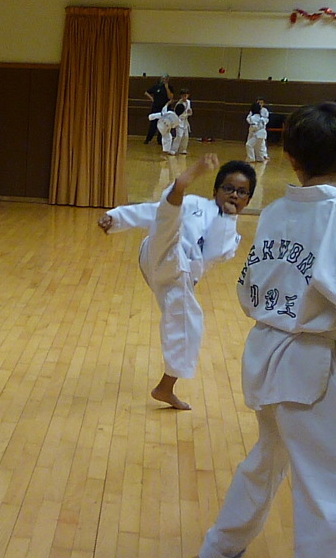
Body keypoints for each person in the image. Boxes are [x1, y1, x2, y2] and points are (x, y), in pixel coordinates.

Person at [200, 102, 336, 558]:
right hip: (308, 363)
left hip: (265, 349)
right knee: (333, 489)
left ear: (289, 156)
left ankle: (222, 543)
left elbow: (250, 285)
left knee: (271, 454)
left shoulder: (274, 212)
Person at [98, 155, 256, 410]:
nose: (234, 195)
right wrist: (115, 218)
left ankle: (165, 388)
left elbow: (214, 251)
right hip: (158, 251)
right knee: (169, 222)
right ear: (215, 191)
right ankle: (179, 185)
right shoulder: (193, 203)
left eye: (241, 192)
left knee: (190, 324)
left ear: (248, 201)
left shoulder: (232, 238)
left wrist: (227, 219)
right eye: (228, 188)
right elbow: (152, 212)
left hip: (177, 275)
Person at [143, 74, 174, 144]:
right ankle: (148, 139)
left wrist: (167, 88)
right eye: (163, 78)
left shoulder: (170, 87)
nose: (164, 80)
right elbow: (146, 92)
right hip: (156, 108)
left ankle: (160, 140)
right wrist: (152, 99)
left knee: (163, 124)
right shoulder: (156, 87)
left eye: (166, 79)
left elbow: (170, 97)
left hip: (165, 109)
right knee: (153, 124)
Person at [173, 88, 193, 155]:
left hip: (185, 122)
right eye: (183, 95)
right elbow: (177, 114)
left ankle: (183, 149)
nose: (185, 97)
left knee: (186, 136)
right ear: (181, 96)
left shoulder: (188, 102)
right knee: (179, 136)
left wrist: (190, 112)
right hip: (179, 121)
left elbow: (189, 111)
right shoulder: (179, 104)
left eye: (186, 95)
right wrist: (186, 114)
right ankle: (173, 149)